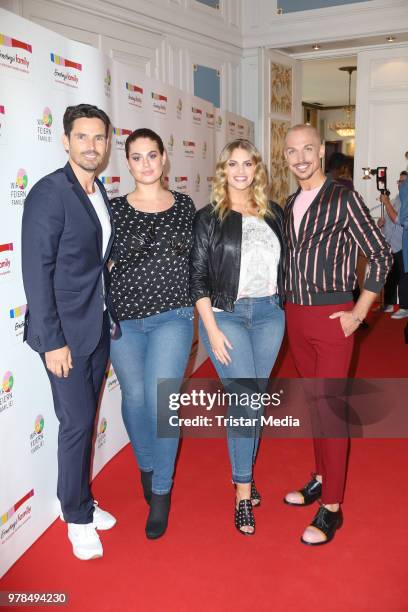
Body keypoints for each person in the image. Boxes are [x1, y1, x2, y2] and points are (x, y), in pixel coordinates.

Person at [282, 124, 392, 546]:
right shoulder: (291, 201)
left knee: (330, 409)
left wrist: (360, 311)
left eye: (308, 149)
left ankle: (332, 507)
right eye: (292, 152)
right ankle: (321, 478)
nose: (301, 158)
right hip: (296, 315)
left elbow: (381, 255)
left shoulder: (343, 198)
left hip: (332, 319)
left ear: (321, 153)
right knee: (314, 404)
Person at [21, 104, 117, 561]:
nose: (92, 146)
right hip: (63, 334)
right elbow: (36, 273)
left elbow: (92, 258)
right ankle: (76, 517)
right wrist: (53, 341)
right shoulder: (49, 192)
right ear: (65, 141)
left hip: (96, 325)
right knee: (77, 424)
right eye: (83, 137)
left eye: (99, 138)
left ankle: (76, 499)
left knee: (84, 420)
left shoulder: (97, 192)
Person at [190, 139, 285, 535]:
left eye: (248, 163)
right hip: (226, 316)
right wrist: (210, 329)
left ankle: (242, 472)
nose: (241, 171)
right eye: (233, 163)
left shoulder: (274, 213)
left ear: (257, 169)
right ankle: (243, 494)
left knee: (252, 403)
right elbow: (196, 278)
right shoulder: (209, 216)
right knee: (245, 399)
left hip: (269, 315)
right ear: (223, 170)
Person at [109, 128, 195, 539]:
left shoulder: (185, 206)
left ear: (164, 159)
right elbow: (95, 262)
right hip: (124, 320)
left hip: (172, 317)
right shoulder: (111, 209)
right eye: (137, 157)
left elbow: (200, 262)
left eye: (152, 156)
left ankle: (161, 491)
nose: (146, 164)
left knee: (163, 403)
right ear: (127, 163)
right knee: (136, 398)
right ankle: (147, 464)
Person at [378, 171, 408, 318]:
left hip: (402, 244)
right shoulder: (397, 198)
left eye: (403, 181)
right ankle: (389, 304)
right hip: (391, 244)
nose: (399, 184)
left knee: (404, 276)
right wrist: (381, 224)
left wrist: (387, 202)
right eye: (399, 181)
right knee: (390, 276)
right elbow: (390, 220)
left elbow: (398, 220)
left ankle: (404, 307)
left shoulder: (405, 200)